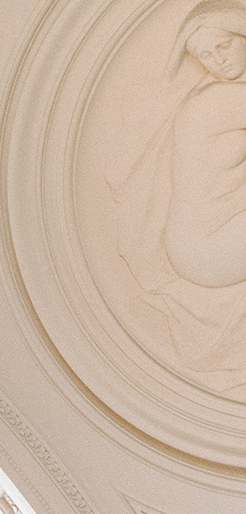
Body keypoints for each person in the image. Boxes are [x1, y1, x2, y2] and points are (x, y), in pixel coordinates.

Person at [112, 0, 246, 392]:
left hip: (207, 237)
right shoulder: (217, 102)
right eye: (205, 55)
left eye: (223, 46)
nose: (217, 61)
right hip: (203, 248)